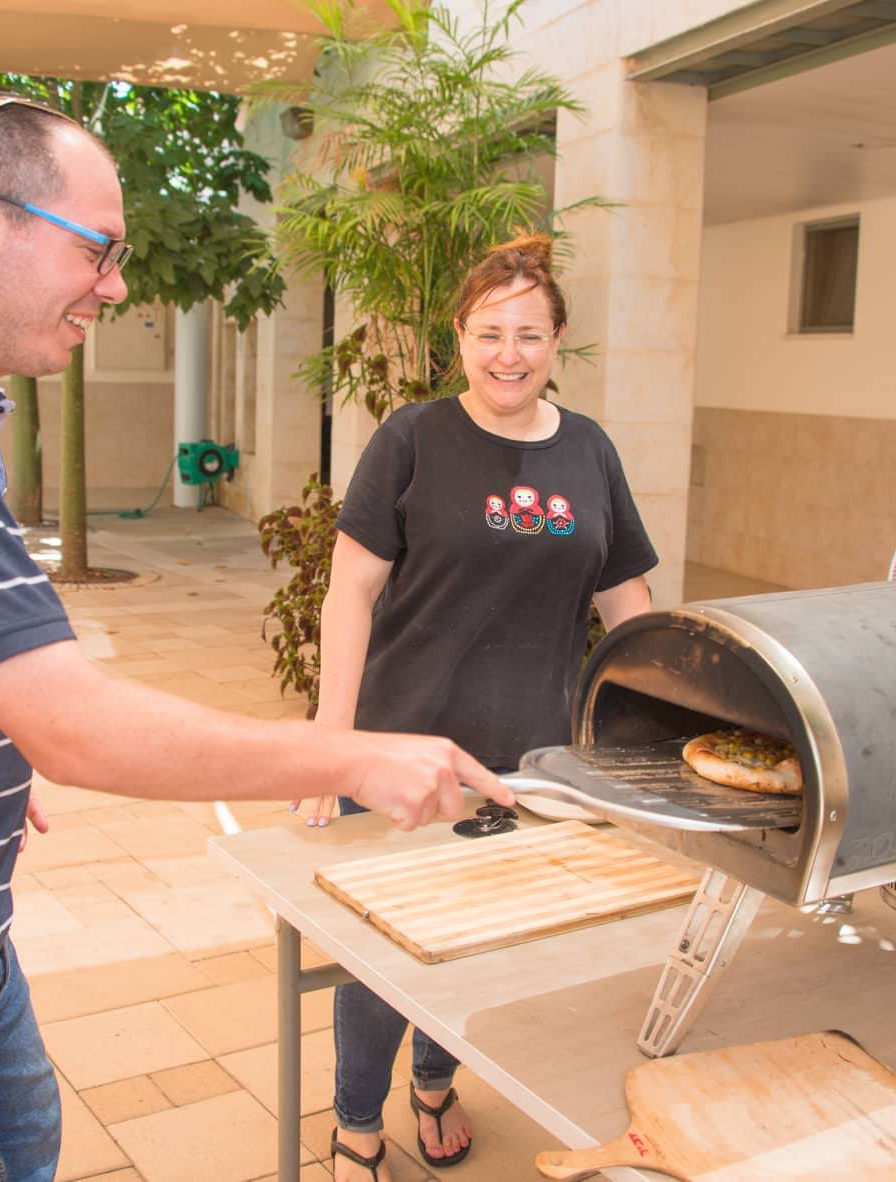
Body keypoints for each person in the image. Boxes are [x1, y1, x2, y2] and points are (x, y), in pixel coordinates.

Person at [0, 90, 508, 1182]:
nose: (116, 287)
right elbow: (78, 729)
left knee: (23, 1148)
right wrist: (351, 755)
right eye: (97, 250)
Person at [292, 233, 658, 1181]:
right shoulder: (413, 439)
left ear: (558, 341)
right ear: (458, 336)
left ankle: (434, 1083)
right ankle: (356, 1124)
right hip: (404, 747)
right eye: (490, 333)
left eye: (529, 334)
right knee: (384, 951)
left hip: (533, 760)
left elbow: (630, 607)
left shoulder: (590, 450)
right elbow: (349, 594)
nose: (509, 354)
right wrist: (332, 745)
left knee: (480, 941)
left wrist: (665, 730)